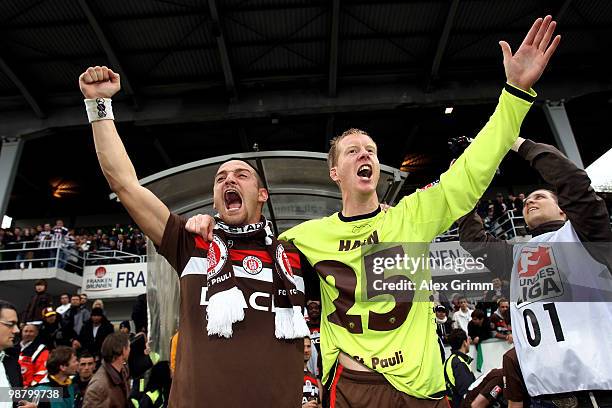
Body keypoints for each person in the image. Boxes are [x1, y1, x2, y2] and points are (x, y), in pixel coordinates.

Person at [186, 16, 561, 407]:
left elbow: (472, 168)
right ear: (335, 172)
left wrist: (515, 93)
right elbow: (249, 248)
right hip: (352, 388)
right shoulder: (304, 237)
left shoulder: (412, 216)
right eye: (353, 151)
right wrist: (208, 225)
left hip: (419, 390)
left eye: (371, 151)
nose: (365, 154)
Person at [79, 67, 309, 408]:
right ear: (216, 198)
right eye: (221, 178)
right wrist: (99, 105)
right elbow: (125, 184)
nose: (229, 179)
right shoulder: (189, 242)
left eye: (241, 174)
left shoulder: (294, 255)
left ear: (263, 194)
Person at [458, 136, 612, 407]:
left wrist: (512, 141)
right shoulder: (515, 256)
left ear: (563, 211)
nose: (529, 202)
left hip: (596, 390)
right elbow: (472, 236)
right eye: (526, 200)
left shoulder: (586, 234)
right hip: (543, 395)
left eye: (539, 196)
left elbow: (573, 181)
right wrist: (463, 179)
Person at [0, 300, 37, 408]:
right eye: (10, 324)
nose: (16, 330)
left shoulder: (12, 365)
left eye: (16, 324)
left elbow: (17, 401)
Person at [82, 333, 131, 408]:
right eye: (129, 347)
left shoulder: (122, 371)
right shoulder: (99, 386)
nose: (130, 350)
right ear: (124, 350)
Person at [444, 329, 475, 408]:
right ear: (464, 343)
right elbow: (467, 393)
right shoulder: (458, 363)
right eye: (468, 340)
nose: (469, 342)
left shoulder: (452, 360)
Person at [18, 323, 49, 387]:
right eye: (25, 331)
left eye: (31, 331)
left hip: (30, 388)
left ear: (36, 333)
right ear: (21, 332)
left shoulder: (41, 349)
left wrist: (31, 385)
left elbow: (42, 371)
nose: (28, 334)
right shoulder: (13, 347)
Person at [302, 337, 322, 408]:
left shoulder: (313, 378)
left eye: (308, 346)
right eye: (303, 347)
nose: (306, 350)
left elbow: (319, 405)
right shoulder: (290, 377)